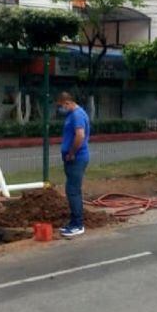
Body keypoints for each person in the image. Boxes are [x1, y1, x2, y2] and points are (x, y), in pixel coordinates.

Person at [56, 91, 91, 238]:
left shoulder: (77, 115)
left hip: (76, 158)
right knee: (72, 190)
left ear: (67, 102)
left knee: (73, 191)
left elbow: (80, 135)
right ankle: (74, 222)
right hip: (73, 158)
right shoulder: (73, 114)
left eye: (61, 106)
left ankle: (78, 225)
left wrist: (71, 153)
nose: (60, 109)